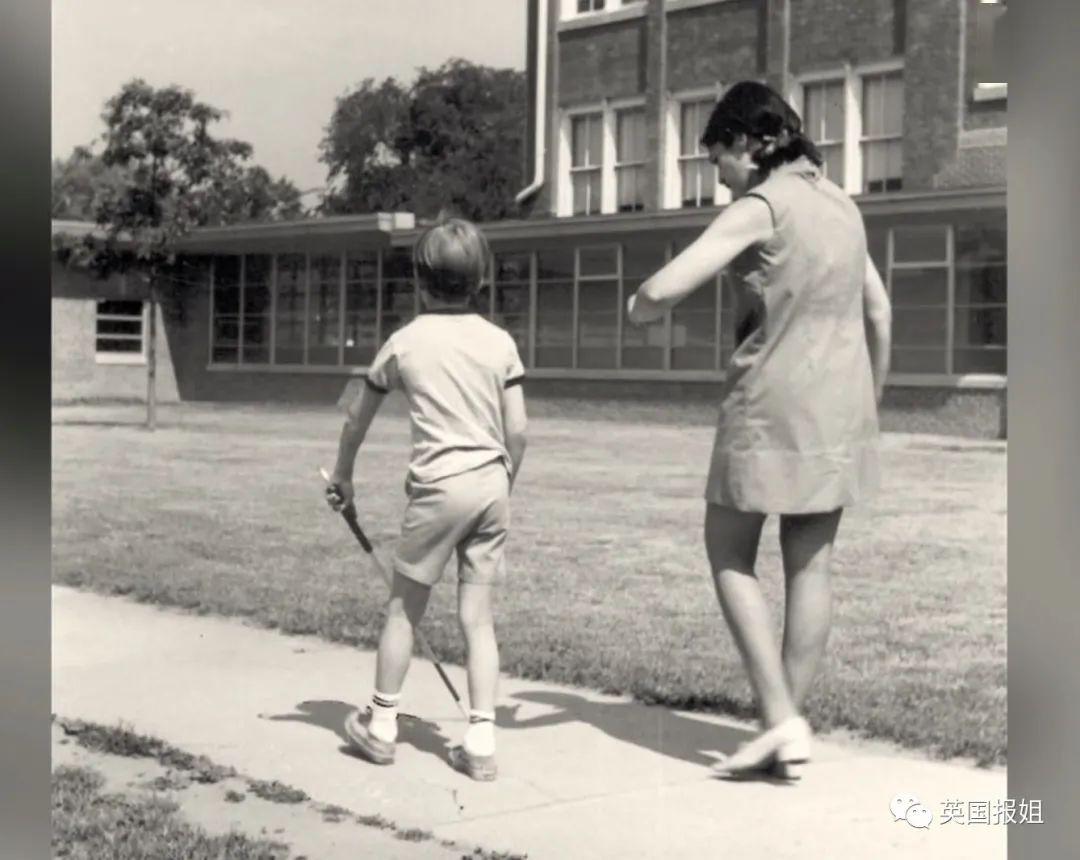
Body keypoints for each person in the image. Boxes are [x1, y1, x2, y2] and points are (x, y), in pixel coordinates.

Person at [627, 81, 892, 779]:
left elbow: (660, 290)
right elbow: (881, 313)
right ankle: (789, 729)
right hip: (841, 407)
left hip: (768, 404)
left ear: (746, 144)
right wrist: (869, 401)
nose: (719, 179)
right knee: (811, 564)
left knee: (727, 551)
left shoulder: (762, 203)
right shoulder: (841, 203)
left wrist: (639, 309)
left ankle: (779, 719)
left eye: (718, 161)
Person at [325, 217, 528, 782]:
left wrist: (343, 475)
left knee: (402, 609)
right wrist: (502, 481)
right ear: (481, 280)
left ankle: (382, 727)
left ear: (418, 281)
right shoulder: (500, 342)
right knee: (478, 619)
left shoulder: (405, 341)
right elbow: (519, 431)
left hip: (438, 488)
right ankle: (480, 742)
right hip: (491, 484)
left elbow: (355, 418)